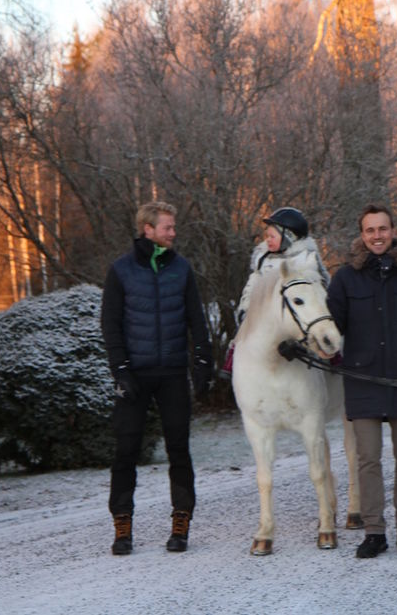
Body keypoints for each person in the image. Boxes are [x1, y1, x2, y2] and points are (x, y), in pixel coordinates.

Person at [326, 204, 397, 558]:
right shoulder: (345, 278)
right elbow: (331, 328)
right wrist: (307, 345)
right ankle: (374, 532)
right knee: (368, 460)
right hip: (363, 381)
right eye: (370, 230)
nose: (377, 235)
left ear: (393, 231)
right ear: (362, 235)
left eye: (382, 229)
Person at [100, 201, 214, 555]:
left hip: (172, 375)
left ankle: (181, 524)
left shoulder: (181, 269)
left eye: (173, 227)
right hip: (134, 375)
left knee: (179, 448)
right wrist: (120, 369)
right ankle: (122, 528)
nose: (173, 233)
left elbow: (197, 318)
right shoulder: (120, 271)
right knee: (126, 450)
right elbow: (110, 324)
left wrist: (202, 361)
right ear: (147, 229)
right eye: (167, 227)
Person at [220, 207, 329, 377]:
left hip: (296, 314)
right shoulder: (264, 258)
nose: (268, 240)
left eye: (272, 236)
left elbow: (316, 290)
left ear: (289, 237)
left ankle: (332, 355)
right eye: (267, 236)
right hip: (265, 316)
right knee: (243, 332)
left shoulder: (304, 259)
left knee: (319, 328)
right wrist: (246, 308)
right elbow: (252, 285)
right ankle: (233, 360)